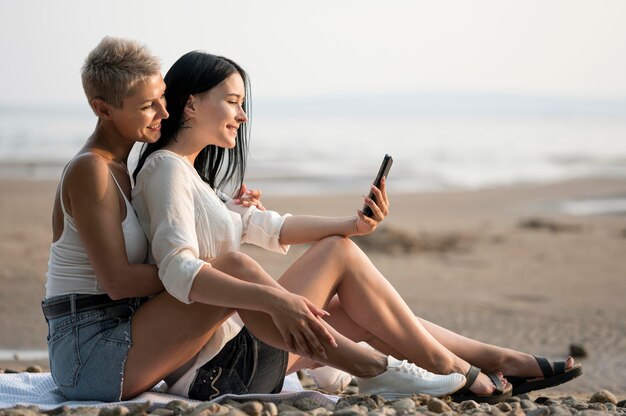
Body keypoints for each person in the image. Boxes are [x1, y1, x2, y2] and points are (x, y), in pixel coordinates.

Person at [130, 51, 582, 403]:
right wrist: (281, 292)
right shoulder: (167, 171)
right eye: (232, 102)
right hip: (213, 370)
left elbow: (269, 226)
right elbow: (179, 266)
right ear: (190, 104)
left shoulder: (192, 178)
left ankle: (492, 359)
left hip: (235, 355)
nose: (242, 115)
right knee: (337, 254)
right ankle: (454, 369)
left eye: (243, 104)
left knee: (365, 308)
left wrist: (353, 223)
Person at [41, 37, 263, 402]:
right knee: (226, 273)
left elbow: (160, 245)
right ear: (104, 109)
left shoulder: (120, 169)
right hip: (87, 355)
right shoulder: (90, 170)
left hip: (120, 330)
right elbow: (119, 281)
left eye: (162, 97)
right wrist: (196, 268)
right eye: (148, 105)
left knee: (221, 275)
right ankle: (338, 352)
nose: (164, 112)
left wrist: (228, 213)